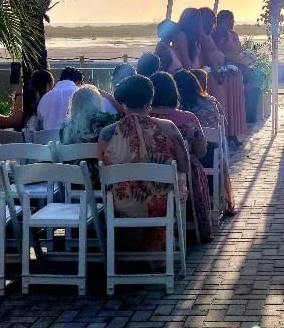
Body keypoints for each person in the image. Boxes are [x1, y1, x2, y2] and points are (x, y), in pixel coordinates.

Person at [98, 74, 195, 248]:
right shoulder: (168, 127)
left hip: (123, 204)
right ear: (150, 100)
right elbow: (184, 166)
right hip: (164, 202)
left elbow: (102, 174)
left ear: (123, 102)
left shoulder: (107, 134)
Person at [150, 71, 213, 241]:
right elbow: (201, 151)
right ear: (174, 92)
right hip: (184, 173)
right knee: (194, 166)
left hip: (148, 175)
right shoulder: (187, 118)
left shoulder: (143, 120)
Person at [176, 69, 235, 214]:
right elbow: (222, 124)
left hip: (187, 157)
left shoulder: (178, 109)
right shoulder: (210, 102)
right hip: (210, 155)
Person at [210, 10, 248, 144]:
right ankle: (227, 132)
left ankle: (234, 132)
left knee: (236, 102)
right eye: (232, 19)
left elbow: (238, 51)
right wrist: (234, 63)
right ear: (224, 20)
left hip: (236, 72)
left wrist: (244, 60)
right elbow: (218, 55)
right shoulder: (219, 34)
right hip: (227, 73)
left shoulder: (233, 34)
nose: (233, 22)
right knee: (228, 102)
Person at [38, 67, 83, 131]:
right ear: (79, 82)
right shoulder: (81, 94)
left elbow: (40, 121)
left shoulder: (44, 98)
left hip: (48, 139)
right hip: (74, 139)